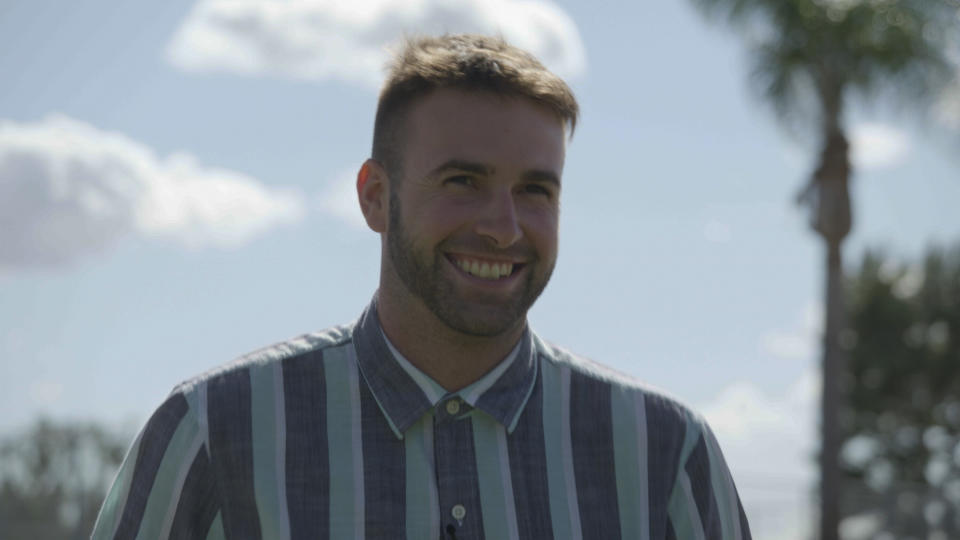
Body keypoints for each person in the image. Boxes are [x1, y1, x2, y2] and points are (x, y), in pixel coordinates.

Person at [92, 34, 752, 540]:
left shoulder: (664, 453)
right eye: (463, 181)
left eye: (535, 190)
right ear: (376, 198)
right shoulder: (217, 432)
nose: (504, 227)